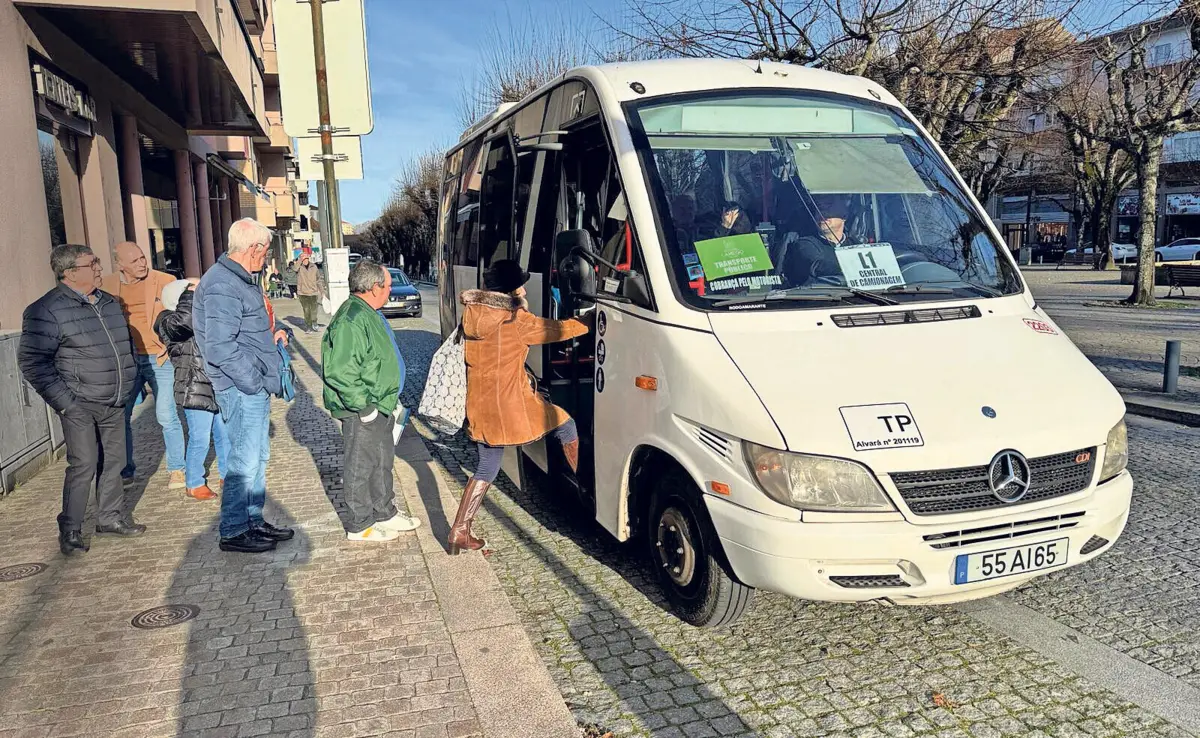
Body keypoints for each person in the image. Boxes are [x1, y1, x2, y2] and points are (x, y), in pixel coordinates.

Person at [449, 260, 590, 555]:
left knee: (487, 465)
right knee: (565, 424)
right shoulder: (515, 320)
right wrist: (589, 321)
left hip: (480, 403)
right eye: (520, 284)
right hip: (511, 405)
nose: (525, 288)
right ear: (510, 290)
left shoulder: (474, 313)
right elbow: (555, 330)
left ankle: (460, 530)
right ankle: (585, 489)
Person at [19, 244, 140, 555]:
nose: (99, 268)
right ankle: (71, 529)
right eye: (92, 264)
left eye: (97, 261)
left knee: (115, 461)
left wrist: (129, 381)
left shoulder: (110, 303)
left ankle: (109, 519)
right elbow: (33, 362)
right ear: (70, 273)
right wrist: (66, 402)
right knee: (83, 464)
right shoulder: (45, 310)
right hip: (78, 403)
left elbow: (123, 345)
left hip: (114, 399)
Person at [194, 218, 294, 554]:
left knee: (257, 457)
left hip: (250, 385)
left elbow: (247, 329)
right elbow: (220, 347)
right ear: (253, 248)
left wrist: (272, 335)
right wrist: (252, 381)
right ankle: (235, 529)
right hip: (240, 387)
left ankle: (253, 520)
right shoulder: (224, 284)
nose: (266, 258)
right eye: (265, 251)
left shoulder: (241, 279)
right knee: (243, 460)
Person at [321, 260, 421, 542]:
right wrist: (364, 408)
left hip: (381, 403)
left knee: (381, 461)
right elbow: (340, 371)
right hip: (365, 407)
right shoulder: (352, 318)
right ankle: (360, 524)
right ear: (375, 287)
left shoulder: (367, 312)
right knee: (360, 466)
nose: (391, 291)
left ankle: (384, 512)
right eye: (388, 286)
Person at [102, 241, 186, 489]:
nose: (142, 263)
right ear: (120, 265)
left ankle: (177, 469)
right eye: (135, 261)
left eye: (142, 258)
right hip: (127, 360)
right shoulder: (107, 286)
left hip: (159, 358)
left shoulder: (164, 280)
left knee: (166, 415)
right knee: (121, 415)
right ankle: (126, 470)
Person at [154, 279, 229, 501]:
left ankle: (227, 474)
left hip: (213, 383)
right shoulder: (167, 321)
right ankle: (194, 482)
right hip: (193, 385)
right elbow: (184, 321)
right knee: (200, 437)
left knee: (224, 434)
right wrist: (190, 294)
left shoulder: (199, 317)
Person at [779, 193, 853, 284]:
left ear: (845, 215)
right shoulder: (805, 244)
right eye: (819, 208)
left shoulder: (857, 245)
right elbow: (818, 265)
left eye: (828, 205)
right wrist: (856, 267)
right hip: (817, 296)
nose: (822, 212)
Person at [295, 253, 326, 332]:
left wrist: (322, 292)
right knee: (306, 310)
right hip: (302, 293)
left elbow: (318, 280)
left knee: (314, 310)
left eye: (306, 258)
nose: (305, 260)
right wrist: (300, 260)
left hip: (313, 292)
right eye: (303, 259)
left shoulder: (314, 267)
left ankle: (314, 322)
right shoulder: (299, 267)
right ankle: (308, 326)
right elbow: (294, 269)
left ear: (308, 259)